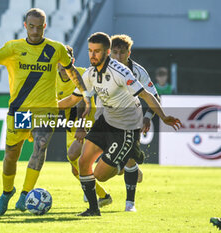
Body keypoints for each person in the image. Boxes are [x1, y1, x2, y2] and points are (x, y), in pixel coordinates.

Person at [0, 8, 91, 216]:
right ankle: (7, 192)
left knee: (40, 146)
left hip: (46, 110)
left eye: (39, 27)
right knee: (11, 156)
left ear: (45, 26)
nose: (35, 31)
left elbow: (71, 71)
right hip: (20, 112)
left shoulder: (56, 49)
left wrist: (85, 93)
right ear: (25, 26)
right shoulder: (13, 48)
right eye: (31, 26)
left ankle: (26, 194)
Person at [58, 32, 181, 216]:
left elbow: (146, 94)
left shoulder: (121, 72)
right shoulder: (91, 73)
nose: (92, 55)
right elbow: (73, 99)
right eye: (90, 51)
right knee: (83, 161)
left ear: (107, 52)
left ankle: (127, 157)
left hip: (127, 127)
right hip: (106, 120)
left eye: (97, 51)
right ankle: (93, 209)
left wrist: (162, 117)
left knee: (100, 175)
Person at [56, 45, 112, 207]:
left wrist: (81, 127)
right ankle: (101, 195)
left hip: (87, 124)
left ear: (71, 61)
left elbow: (81, 102)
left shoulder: (82, 74)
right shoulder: (52, 79)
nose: (61, 63)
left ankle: (98, 192)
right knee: (75, 169)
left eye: (65, 59)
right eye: (59, 60)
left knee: (73, 155)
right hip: (70, 127)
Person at [110, 34, 160, 211]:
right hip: (107, 118)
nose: (117, 57)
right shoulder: (102, 68)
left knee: (129, 158)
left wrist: (147, 117)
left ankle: (129, 204)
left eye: (122, 53)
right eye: (114, 53)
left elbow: (155, 97)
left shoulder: (139, 72)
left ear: (128, 52)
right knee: (107, 161)